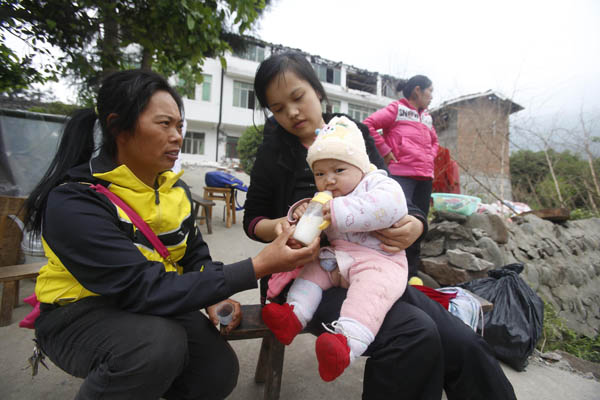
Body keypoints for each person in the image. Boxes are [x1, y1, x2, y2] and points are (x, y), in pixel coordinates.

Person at [23, 69, 319, 400]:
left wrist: (214, 296)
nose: (177, 136)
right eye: (165, 124)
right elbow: (141, 288)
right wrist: (259, 265)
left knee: (217, 372)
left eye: (179, 126)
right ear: (118, 126)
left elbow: (193, 255)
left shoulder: (173, 189)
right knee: (157, 346)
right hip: (77, 314)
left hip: (150, 304)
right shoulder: (77, 200)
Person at [244, 51, 516, 399]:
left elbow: (399, 196)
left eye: (298, 98)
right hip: (307, 274)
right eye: (278, 108)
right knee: (415, 333)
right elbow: (252, 220)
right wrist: (280, 226)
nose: (292, 113)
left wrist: (416, 225)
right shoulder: (273, 150)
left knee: (464, 343)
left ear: (317, 91)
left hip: (372, 263)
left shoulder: (352, 134)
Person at [262, 116, 409, 382]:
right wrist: (301, 214)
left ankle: (345, 343)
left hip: (379, 261)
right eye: (320, 174)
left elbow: (392, 205)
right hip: (338, 257)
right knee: (312, 269)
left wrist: (339, 210)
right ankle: (293, 314)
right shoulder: (329, 198)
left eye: (338, 171)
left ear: (359, 167)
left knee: (370, 292)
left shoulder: (376, 183)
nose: (328, 181)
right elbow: (308, 228)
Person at [364, 75, 439, 278]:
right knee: (397, 222)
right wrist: (386, 151)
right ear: (417, 90)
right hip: (401, 174)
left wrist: (430, 157)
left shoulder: (427, 117)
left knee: (419, 223)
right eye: (430, 90)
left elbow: (435, 141)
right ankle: (386, 269)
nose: (432, 96)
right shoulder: (396, 109)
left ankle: (411, 274)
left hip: (424, 176)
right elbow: (368, 125)